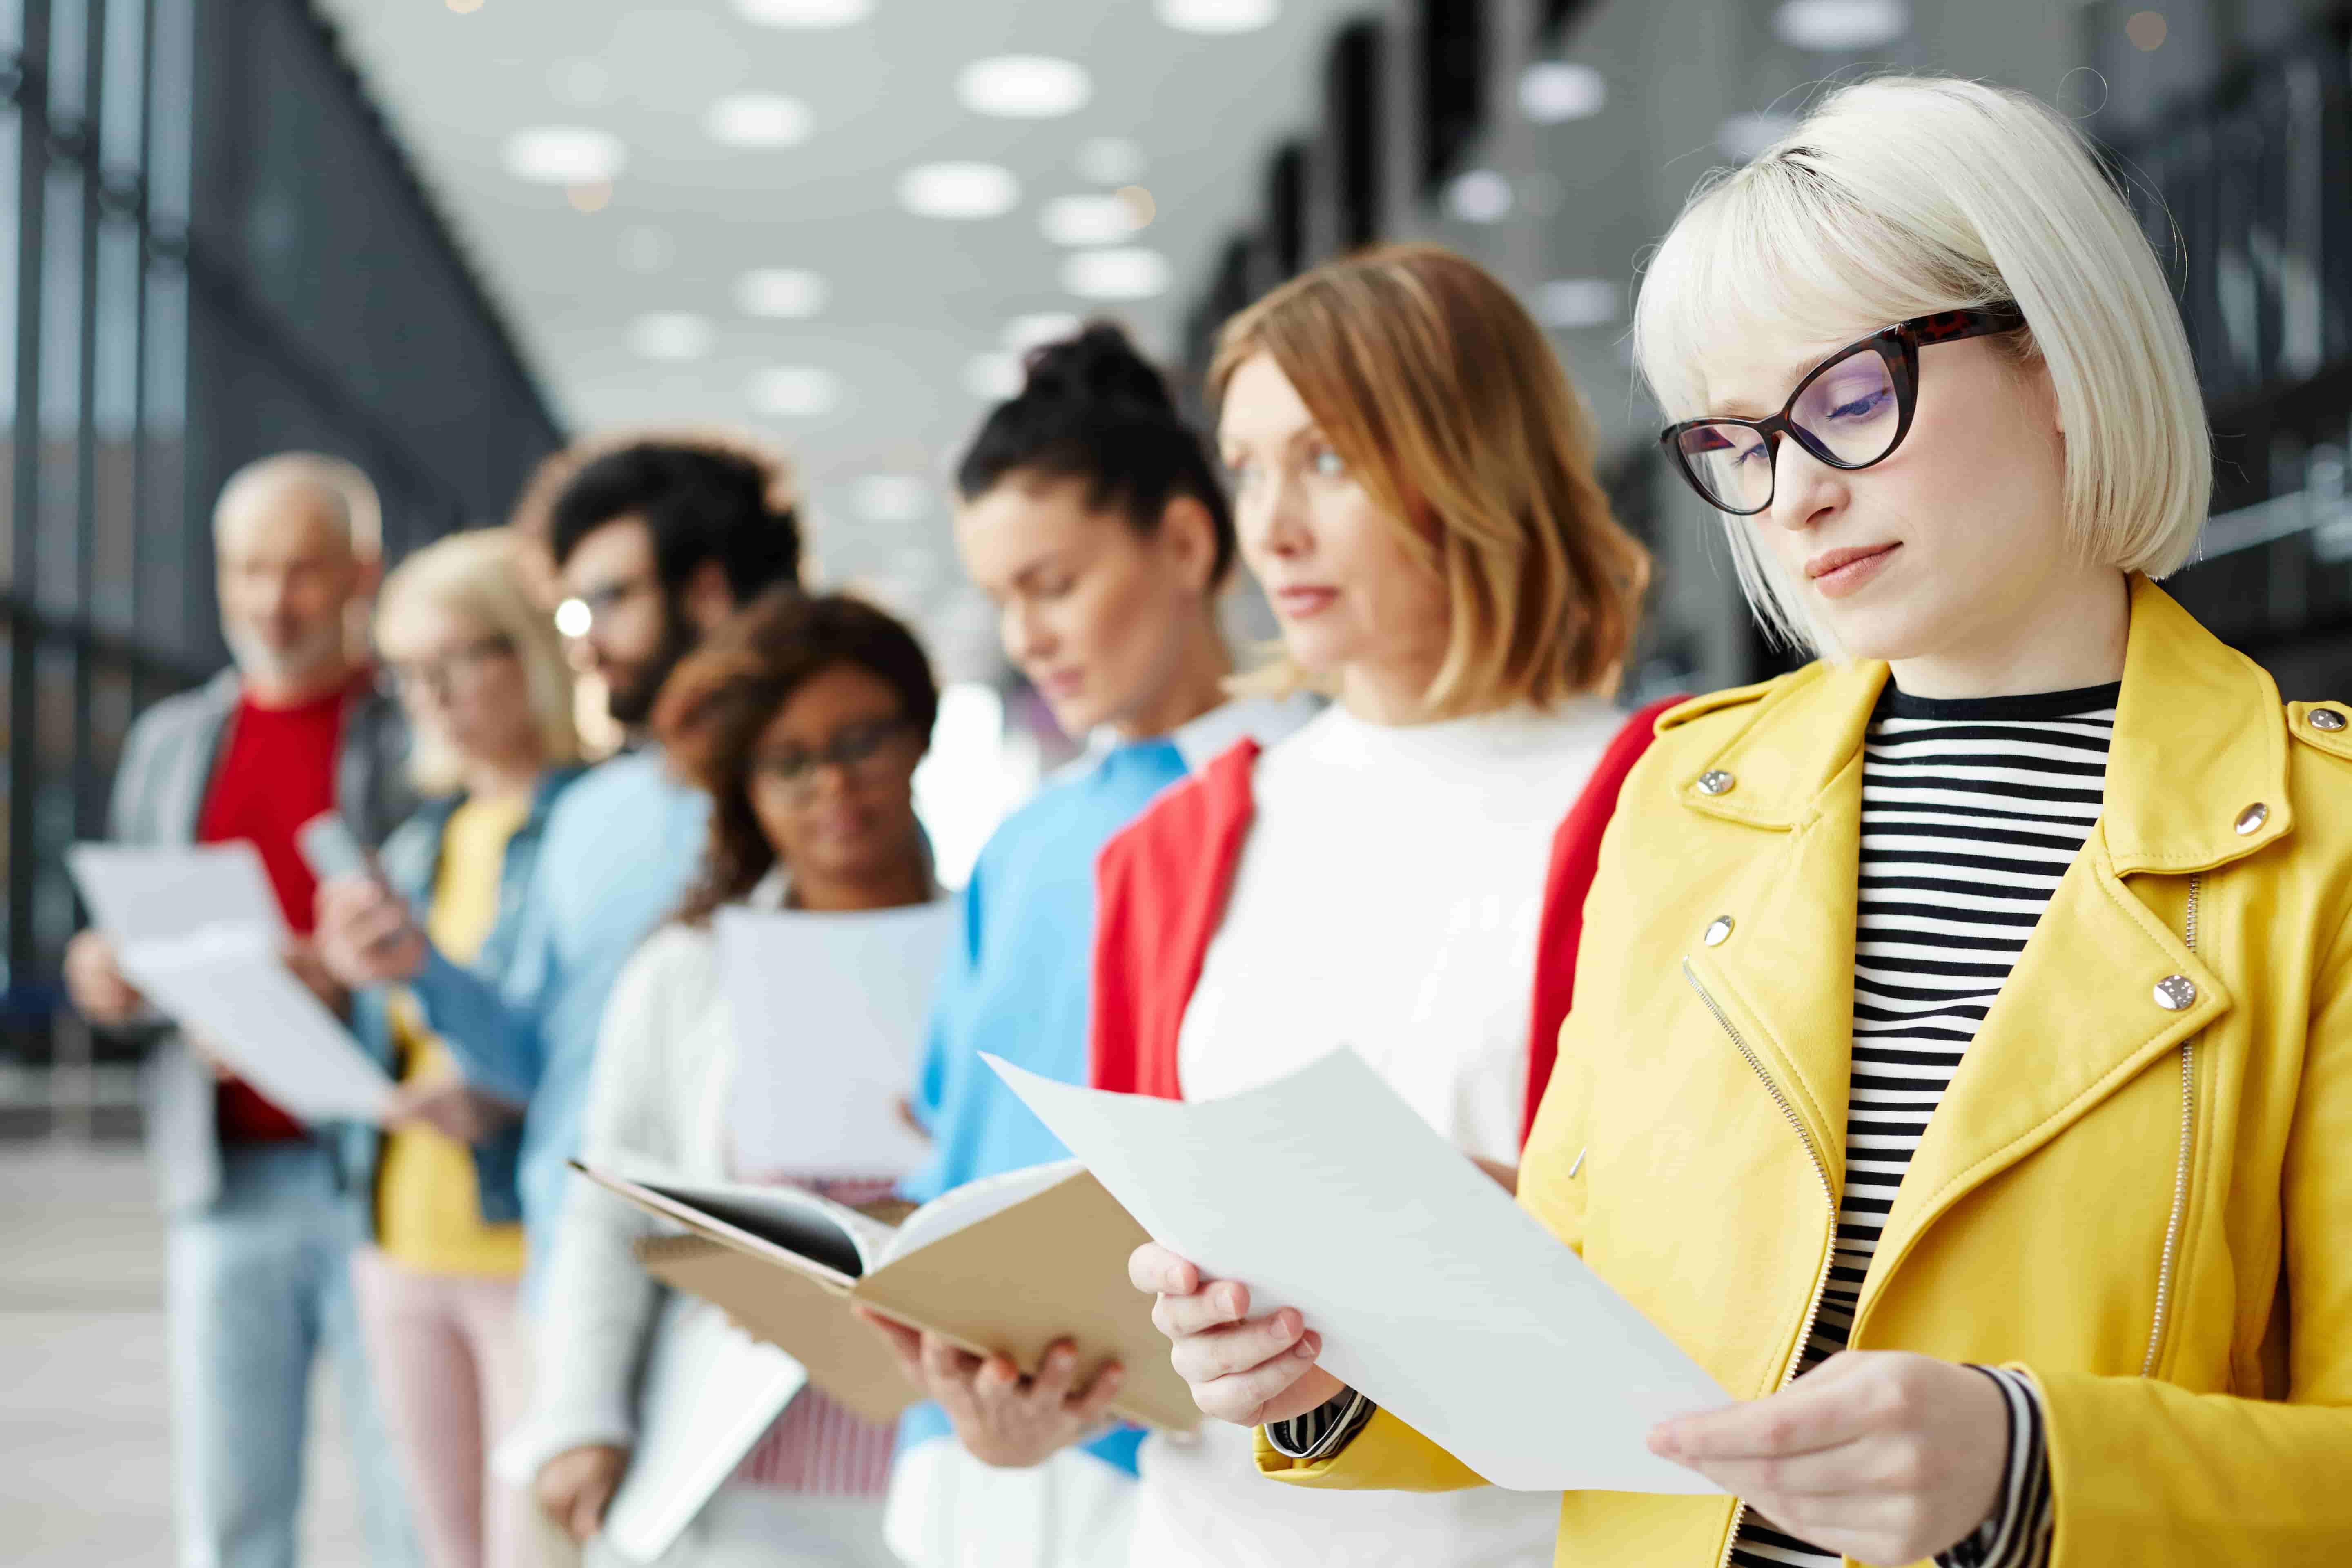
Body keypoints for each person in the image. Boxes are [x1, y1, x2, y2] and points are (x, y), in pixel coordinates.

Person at [1137, 74, 2352, 1568]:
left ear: (2055, 354)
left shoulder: (2321, 850)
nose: (1791, 499)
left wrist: (2036, 1461)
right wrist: (1341, 1358)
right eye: (1737, 440)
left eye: (1848, 401)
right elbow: (1597, 1344)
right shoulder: (1689, 799)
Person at [1089, 243, 1654, 1568]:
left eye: (1329, 460)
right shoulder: (1178, 842)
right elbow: (1138, 1281)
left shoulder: (1670, 809)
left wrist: (1495, 1239)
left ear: (1473, 463)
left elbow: (1732, 1284)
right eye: (1246, 467)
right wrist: (1041, 1384)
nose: (1271, 527)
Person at [851, 323, 1316, 1568]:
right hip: (977, 1439)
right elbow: (956, 1137)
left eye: (1051, 584)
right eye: (1002, 600)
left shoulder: (1314, 801)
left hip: (1194, 1451)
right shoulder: (1027, 841)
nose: (1026, 637)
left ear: (1183, 542)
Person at [316, 439, 804, 1274]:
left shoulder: (813, 809)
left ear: (710, 592)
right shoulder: (589, 816)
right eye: (575, 608)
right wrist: (419, 966)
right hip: (574, 1263)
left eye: (610, 601)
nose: (582, 639)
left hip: (750, 1277)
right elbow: (531, 1062)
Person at [524, 590, 939, 1565]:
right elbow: (607, 1210)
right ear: (743, 787)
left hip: (944, 1458)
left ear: (917, 738)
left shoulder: (992, 953)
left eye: (862, 741)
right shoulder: (686, 972)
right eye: (790, 763)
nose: (834, 785)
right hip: (734, 1471)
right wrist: (583, 1416)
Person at [61, 452, 418, 1568]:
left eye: (302, 572)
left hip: (384, 1178)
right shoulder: (175, 743)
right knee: (230, 1518)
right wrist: (108, 976)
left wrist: (332, 969)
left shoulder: (413, 736)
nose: (272, 602)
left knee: (412, 1506)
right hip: (225, 1179)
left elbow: (458, 940)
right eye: (248, 571)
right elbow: (148, 935)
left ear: (363, 573)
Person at [340, 529, 588, 1568]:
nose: (431, 694)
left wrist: (494, 1095)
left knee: (536, 1548)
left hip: (525, 1250)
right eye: (408, 673)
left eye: (455, 661)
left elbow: (574, 1046)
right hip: (403, 1239)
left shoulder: (587, 824)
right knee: (444, 1551)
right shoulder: (422, 839)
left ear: (525, 649)